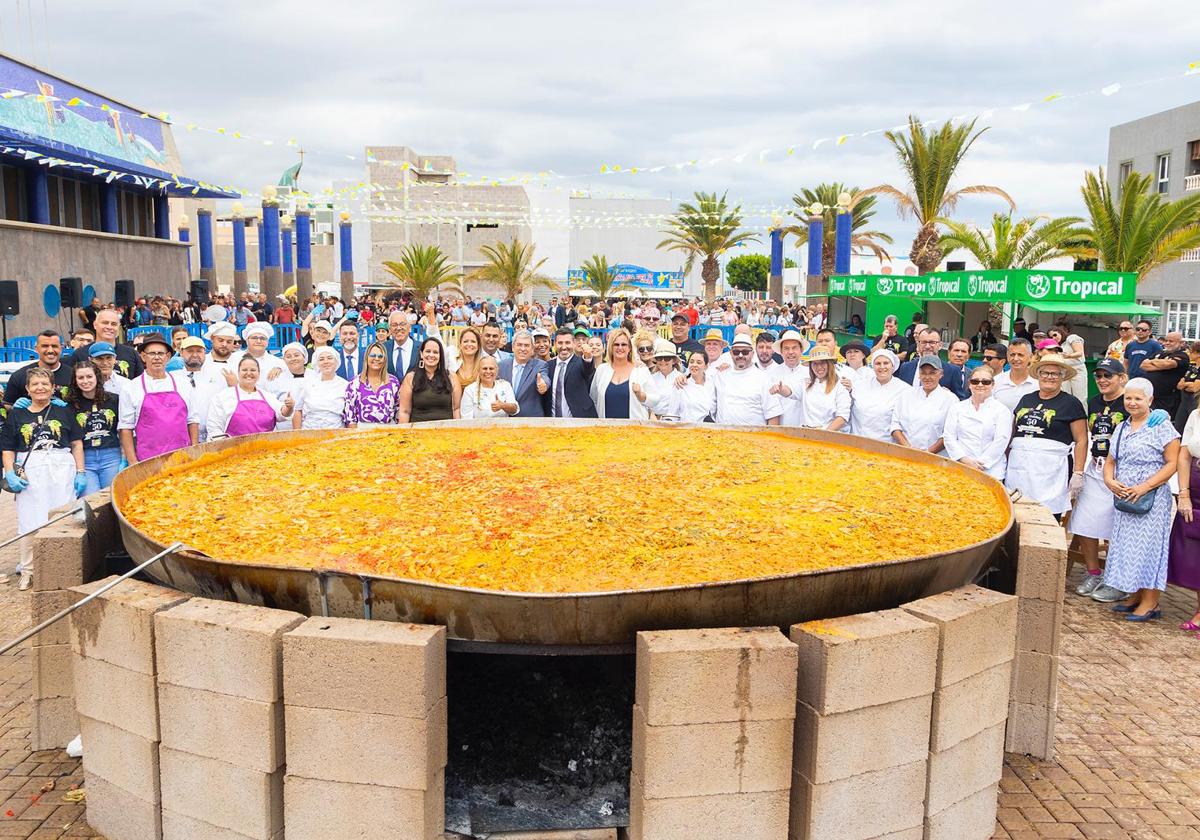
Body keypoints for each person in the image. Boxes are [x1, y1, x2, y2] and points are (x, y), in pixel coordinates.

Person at [1101, 378, 1180, 621]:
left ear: (1150, 400)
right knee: (1127, 548)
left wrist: (1145, 487)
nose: (1132, 403)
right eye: (1128, 398)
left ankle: (1150, 602)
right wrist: (1109, 480)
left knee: (1148, 549)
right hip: (1125, 496)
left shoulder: (1161, 426)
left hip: (1151, 498)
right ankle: (1134, 594)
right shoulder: (1122, 427)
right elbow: (1111, 459)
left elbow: (1173, 463)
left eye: (1138, 398)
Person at [1, 368, 85, 589]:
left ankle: (65, 569)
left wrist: (81, 472)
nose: (40, 388)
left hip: (61, 469)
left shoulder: (65, 411)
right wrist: (9, 472)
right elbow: (8, 447)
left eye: (45, 384)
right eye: (35, 384)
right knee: (29, 521)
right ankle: (28, 570)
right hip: (32, 471)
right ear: (27, 389)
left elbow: (76, 443)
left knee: (62, 519)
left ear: (52, 387)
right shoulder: (17, 415)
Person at [1069, 359, 1129, 600]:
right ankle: (1094, 571)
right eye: (1099, 376)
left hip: (1121, 471)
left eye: (1108, 375)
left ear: (1121, 377)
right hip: (1096, 467)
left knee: (1118, 527)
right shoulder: (1093, 402)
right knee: (1085, 521)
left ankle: (1116, 577)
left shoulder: (1129, 401)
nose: (1102, 380)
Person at [1004, 353, 1088, 519]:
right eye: (1045, 373)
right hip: (1019, 468)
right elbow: (1013, 433)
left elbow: (1081, 440)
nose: (1049, 377)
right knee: (1016, 514)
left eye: (1054, 374)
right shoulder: (1026, 399)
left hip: (1050, 471)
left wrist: (1078, 472)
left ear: (1062, 377)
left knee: (1047, 516)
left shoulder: (1071, 403)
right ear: (1039, 375)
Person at [117, 335, 199, 464]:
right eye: (151, 353)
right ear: (143, 356)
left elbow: (192, 420)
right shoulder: (131, 388)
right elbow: (126, 428)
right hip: (147, 459)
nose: (157, 357)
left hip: (182, 456)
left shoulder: (183, 384)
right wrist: (133, 462)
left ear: (168, 357)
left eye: (161, 353)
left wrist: (194, 450)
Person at [942, 364, 1012, 479]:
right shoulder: (957, 408)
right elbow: (949, 436)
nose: (980, 385)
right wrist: (964, 459)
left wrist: (981, 464)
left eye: (985, 382)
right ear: (969, 384)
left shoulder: (1002, 410)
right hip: (960, 465)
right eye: (975, 381)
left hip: (991, 469)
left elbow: (1001, 440)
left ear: (993, 384)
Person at [67, 359, 122, 494]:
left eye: (89, 376)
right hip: (85, 459)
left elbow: (123, 430)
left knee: (112, 500)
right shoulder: (70, 405)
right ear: (75, 380)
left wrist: (125, 458)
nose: (85, 381)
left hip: (111, 457)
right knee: (91, 503)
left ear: (97, 377)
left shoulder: (114, 400)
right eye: (80, 377)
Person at [206, 356, 295, 440]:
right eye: (244, 370)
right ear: (238, 373)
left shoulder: (267, 396)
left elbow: (283, 414)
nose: (249, 373)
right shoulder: (223, 397)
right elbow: (214, 428)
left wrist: (289, 407)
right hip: (234, 451)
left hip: (267, 451)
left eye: (253, 370)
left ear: (259, 374)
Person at [1170, 396, 1200, 633]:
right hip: (1196, 488)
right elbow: (1184, 456)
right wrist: (1184, 494)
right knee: (1195, 549)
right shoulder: (1196, 415)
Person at [712, 334, 783, 426]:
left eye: (745, 352)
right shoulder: (721, 376)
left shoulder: (763, 379)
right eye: (736, 352)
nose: (740, 355)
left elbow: (773, 414)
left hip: (754, 437)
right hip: (723, 436)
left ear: (752, 353)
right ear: (730, 353)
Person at [891, 356, 958, 452]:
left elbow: (949, 433)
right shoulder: (906, 395)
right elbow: (895, 424)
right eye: (923, 373)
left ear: (941, 374)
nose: (927, 377)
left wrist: (928, 453)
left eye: (932, 373)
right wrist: (907, 448)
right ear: (919, 374)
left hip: (935, 457)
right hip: (905, 453)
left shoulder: (951, 400)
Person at [589, 328, 654, 420]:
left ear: (629, 348)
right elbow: (594, 397)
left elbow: (655, 399)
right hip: (605, 430)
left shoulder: (641, 370)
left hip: (635, 430)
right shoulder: (601, 370)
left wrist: (641, 395)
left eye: (623, 344)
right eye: (616, 344)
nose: (620, 348)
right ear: (610, 347)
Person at [398, 337, 461, 423]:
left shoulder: (451, 377)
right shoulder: (410, 378)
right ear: (421, 354)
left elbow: (456, 409)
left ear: (440, 356)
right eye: (428, 351)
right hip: (417, 432)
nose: (431, 355)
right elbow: (404, 412)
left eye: (435, 352)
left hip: (446, 432)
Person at [848, 349, 907, 442]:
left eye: (886, 363)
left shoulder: (904, 389)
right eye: (878, 363)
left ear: (893, 366)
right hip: (857, 441)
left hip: (885, 445)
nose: (882, 367)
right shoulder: (859, 385)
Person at [5, 331, 74, 405]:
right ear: (36, 349)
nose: (50, 350)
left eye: (54, 346)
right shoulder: (20, 376)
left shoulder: (73, 375)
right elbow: (7, 405)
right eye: (45, 346)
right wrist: (20, 409)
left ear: (61, 348)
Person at [344, 340, 403, 427]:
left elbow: (398, 410)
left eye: (380, 356)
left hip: (388, 431)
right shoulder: (354, 383)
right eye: (372, 355)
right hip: (362, 432)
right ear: (366, 357)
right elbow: (350, 417)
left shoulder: (393, 382)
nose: (376, 358)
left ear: (385, 359)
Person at [546, 328, 597, 418]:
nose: (564, 347)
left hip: (579, 422)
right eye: (560, 343)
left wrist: (588, 356)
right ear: (554, 344)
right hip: (553, 423)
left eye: (567, 343)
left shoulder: (581, 363)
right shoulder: (548, 366)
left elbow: (588, 369)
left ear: (573, 344)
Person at [293, 347, 349, 430]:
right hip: (309, 432)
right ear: (317, 363)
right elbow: (297, 410)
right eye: (321, 359)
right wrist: (297, 435)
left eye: (329, 358)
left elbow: (350, 414)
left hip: (336, 433)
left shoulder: (345, 385)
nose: (326, 362)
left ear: (336, 361)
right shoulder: (307, 383)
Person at [499, 331, 550, 418]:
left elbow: (544, 378)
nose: (523, 349)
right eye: (519, 345)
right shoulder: (501, 365)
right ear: (513, 347)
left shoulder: (540, 365)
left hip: (530, 422)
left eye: (526, 345)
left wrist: (543, 385)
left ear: (532, 349)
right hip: (504, 421)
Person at [1139, 330, 1188, 418]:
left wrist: (1152, 362)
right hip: (1151, 397)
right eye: (1166, 340)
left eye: (1171, 341)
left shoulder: (1183, 356)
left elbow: (1168, 364)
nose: (1167, 343)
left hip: (1167, 399)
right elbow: (1143, 365)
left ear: (1181, 343)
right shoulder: (1159, 353)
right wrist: (1160, 364)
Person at [799, 347, 849, 431]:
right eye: (815, 363)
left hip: (828, 437)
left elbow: (842, 417)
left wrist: (823, 434)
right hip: (805, 433)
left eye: (822, 363)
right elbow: (790, 393)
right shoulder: (806, 383)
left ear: (829, 364)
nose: (819, 367)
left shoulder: (840, 386)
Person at [766, 330, 807, 427]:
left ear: (801, 350)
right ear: (781, 352)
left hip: (806, 430)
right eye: (786, 348)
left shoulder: (810, 373)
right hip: (780, 429)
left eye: (794, 348)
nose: (790, 352)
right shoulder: (772, 374)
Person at [89, 308, 143, 378]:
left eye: (113, 324)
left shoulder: (132, 354)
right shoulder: (79, 354)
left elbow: (140, 383)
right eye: (105, 323)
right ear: (95, 325)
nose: (109, 327)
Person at [461, 355, 518, 420]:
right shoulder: (470, 390)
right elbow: (466, 419)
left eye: (491, 368)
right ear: (478, 370)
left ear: (497, 370)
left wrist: (503, 405)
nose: (488, 372)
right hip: (478, 429)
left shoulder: (505, 386)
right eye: (484, 368)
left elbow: (515, 410)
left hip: (502, 428)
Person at [993, 339, 1037, 411]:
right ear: (1007, 356)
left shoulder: (1038, 383)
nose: (1015, 359)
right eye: (1012, 355)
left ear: (1031, 357)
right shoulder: (996, 381)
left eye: (1020, 355)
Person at [678, 351, 716, 423]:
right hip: (686, 429)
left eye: (699, 362)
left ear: (706, 366)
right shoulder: (681, 384)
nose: (694, 365)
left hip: (709, 429)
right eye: (691, 362)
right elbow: (672, 413)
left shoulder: (713, 383)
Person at [1055, 324, 1088, 402]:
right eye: (1051, 336)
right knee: (1064, 396)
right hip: (1064, 371)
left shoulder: (1072, 337)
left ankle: (1081, 413)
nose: (1054, 337)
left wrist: (1068, 356)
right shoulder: (1060, 344)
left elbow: (1080, 352)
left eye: (1055, 334)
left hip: (1077, 370)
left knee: (1080, 397)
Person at [384, 312, 418, 379]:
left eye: (402, 324)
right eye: (394, 325)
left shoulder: (421, 348)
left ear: (409, 328)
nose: (398, 328)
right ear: (390, 329)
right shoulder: (383, 348)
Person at [1175, 341, 1200, 433]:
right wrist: (1186, 384)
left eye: (1191, 351)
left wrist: (1185, 384)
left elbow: (1194, 388)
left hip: (1195, 403)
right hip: (1184, 402)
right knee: (1178, 428)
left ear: (1198, 354)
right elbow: (1179, 385)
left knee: (1193, 429)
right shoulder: (1191, 366)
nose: (1188, 353)